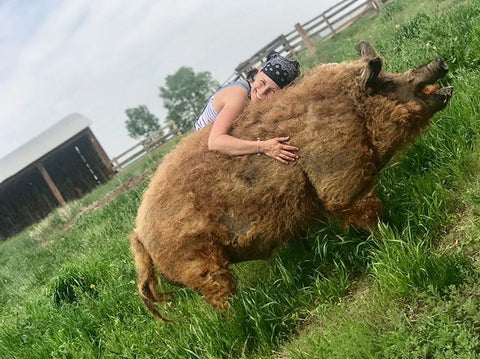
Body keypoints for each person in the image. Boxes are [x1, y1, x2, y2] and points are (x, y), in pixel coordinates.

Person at [194, 51, 301, 164]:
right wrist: (263, 147)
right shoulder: (239, 95)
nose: (262, 92)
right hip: (204, 144)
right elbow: (215, 142)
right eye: (263, 82)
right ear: (259, 72)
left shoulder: (256, 96)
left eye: (272, 90)